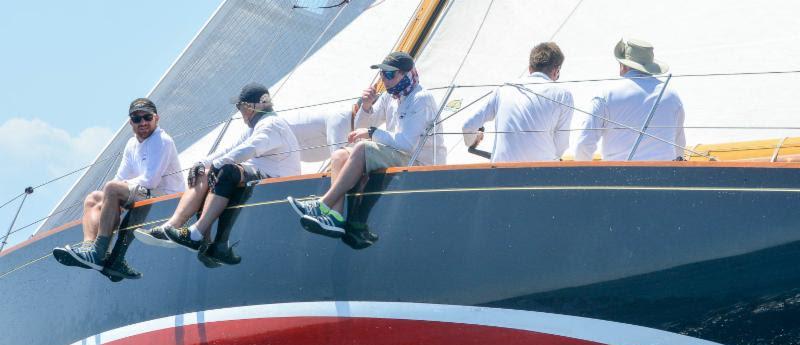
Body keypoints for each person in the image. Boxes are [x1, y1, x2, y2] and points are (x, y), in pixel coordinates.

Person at [287, 51, 446, 237]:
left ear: (406, 73)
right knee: (340, 154)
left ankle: (323, 204)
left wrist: (372, 133)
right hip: (399, 154)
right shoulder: (390, 97)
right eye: (381, 74)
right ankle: (335, 217)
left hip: (420, 163)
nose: (384, 79)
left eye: (389, 74)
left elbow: (407, 144)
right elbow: (361, 127)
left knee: (363, 147)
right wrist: (367, 106)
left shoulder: (421, 98)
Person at [137, 83, 301, 259]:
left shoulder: (271, 124)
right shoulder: (257, 126)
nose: (239, 111)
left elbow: (249, 149)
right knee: (205, 172)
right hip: (264, 175)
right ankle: (173, 227)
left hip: (278, 182)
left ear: (251, 106)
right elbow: (230, 149)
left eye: (240, 106)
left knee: (227, 171)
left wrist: (217, 165)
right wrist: (202, 163)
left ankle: (197, 234)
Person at [54, 98, 183, 274]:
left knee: (112, 189)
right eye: (137, 119)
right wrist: (110, 199)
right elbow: (121, 177)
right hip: (144, 194)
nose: (143, 122)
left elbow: (151, 180)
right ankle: (88, 249)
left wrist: (115, 193)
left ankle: (99, 251)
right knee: (93, 198)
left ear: (156, 118)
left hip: (165, 202)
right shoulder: (131, 144)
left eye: (147, 117)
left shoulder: (162, 140)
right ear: (131, 122)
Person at [574, 38, 686, 161]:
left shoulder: (605, 94)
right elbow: (679, 146)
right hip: (663, 176)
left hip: (617, 176)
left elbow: (584, 144)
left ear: (623, 66)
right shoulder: (671, 95)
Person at [461, 42, 573, 162]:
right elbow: (561, 146)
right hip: (541, 173)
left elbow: (468, 126)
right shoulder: (563, 95)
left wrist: (473, 140)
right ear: (556, 71)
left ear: (530, 69)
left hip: (501, 172)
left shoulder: (503, 89)